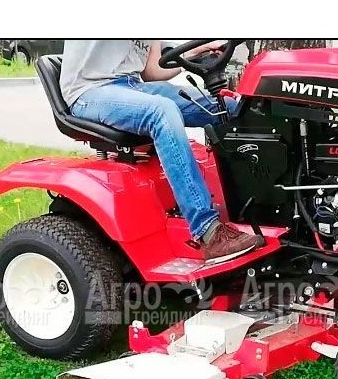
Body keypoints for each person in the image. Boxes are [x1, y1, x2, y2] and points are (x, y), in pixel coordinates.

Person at [59, 40, 263, 264]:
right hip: (89, 93)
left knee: (231, 106)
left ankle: (268, 207)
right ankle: (208, 230)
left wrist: (198, 50)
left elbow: (152, 71)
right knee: (162, 111)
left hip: (132, 85)